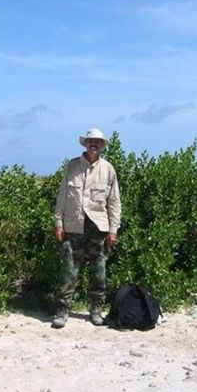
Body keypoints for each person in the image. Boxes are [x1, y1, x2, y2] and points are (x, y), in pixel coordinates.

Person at [52, 128, 121, 328]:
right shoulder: (72, 166)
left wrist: (113, 229)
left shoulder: (108, 169)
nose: (94, 144)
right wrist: (58, 222)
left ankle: (96, 310)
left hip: (99, 227)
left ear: (101, 146)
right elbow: (62, 196)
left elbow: (114, 202)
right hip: (74, 224)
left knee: (99, 270)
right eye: (90, 141)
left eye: (97, 142)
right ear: (85, 143)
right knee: (69, 270)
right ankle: (62, 309)